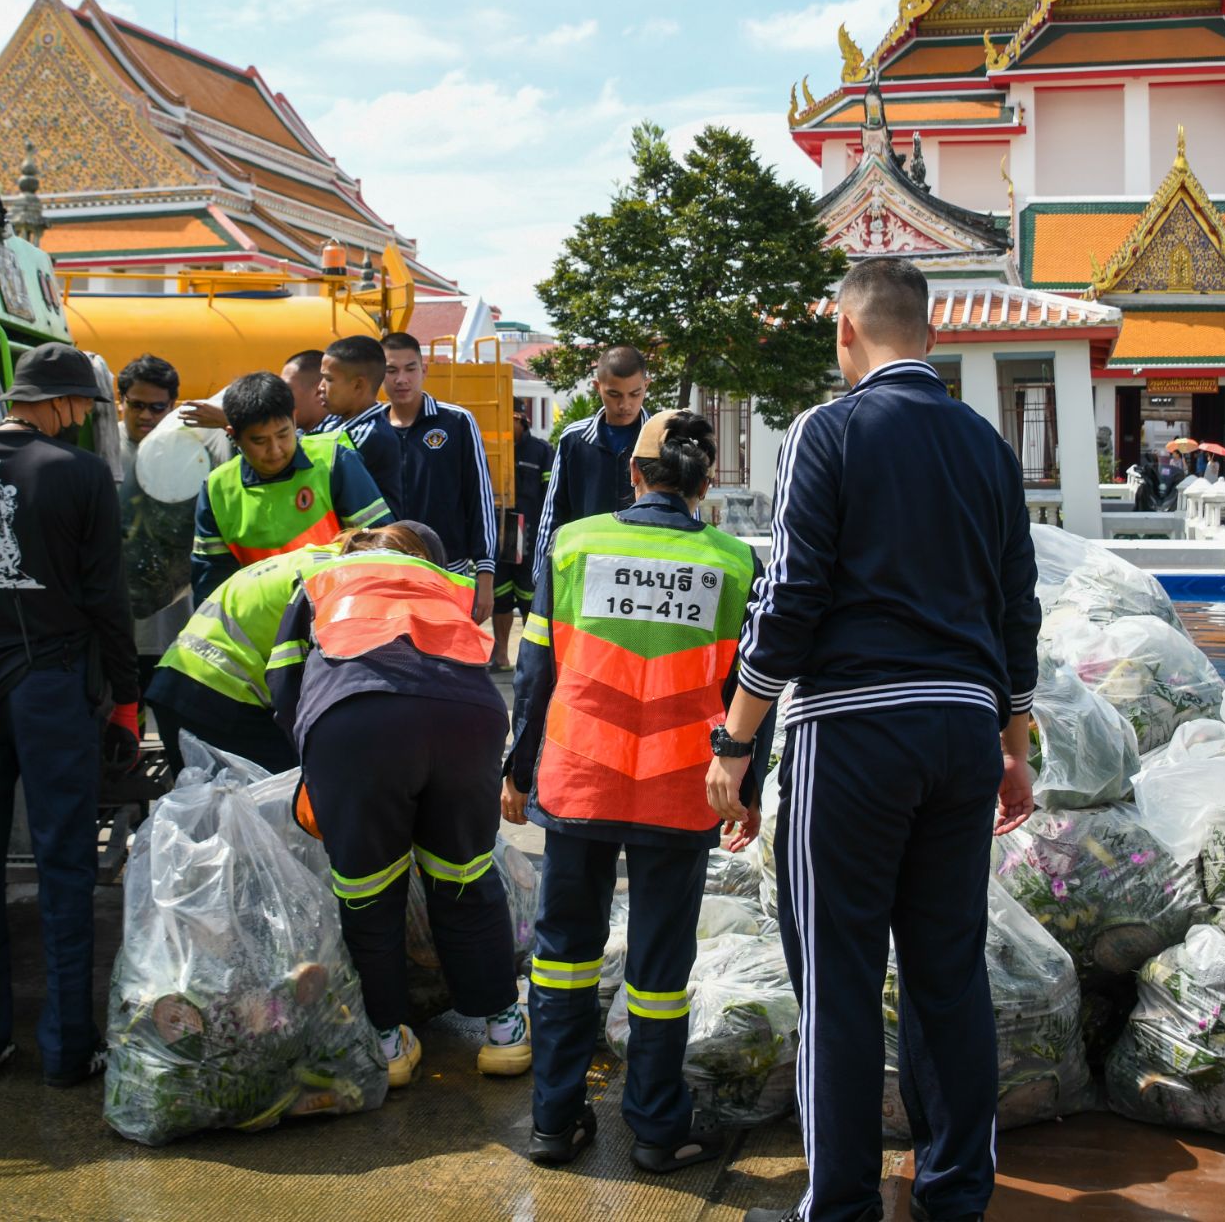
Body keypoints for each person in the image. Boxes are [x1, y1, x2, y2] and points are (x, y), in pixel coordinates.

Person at [708, 258, 1039, 1222]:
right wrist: (1015, 746)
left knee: (840, 981)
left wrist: (735, 740)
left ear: (844, 331)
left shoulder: (829, 429)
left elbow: (790, 598)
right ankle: (956, 1193)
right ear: (931, 336)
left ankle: (841, 1205)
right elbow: (1017, 609)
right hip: (963, 730)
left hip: (853, 731)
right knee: (948, 973)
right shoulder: (987, 447)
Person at [503, 409, 761, 1172]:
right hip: (683, 788)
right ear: (705, 486)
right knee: (660, 968)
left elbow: (535, 671)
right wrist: (747, 785)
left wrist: (518, 767)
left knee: (562, 956)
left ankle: (554, 1123)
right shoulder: (733, 561)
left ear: (634, 473)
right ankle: (656, 1130)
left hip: (580, 778)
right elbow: (751, 684)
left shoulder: (574, 544)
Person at [0, 340, 138, 1089]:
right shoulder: (82, 474)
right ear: (62, 403)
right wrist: (126, 695)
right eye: (81, 408)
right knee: (63, 864)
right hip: (49, 686)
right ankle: (68, 1051)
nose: (81, 420)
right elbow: (106, 596)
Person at [267, 521, 529, 1089]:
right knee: (464, 875)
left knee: (368, 891)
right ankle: (504, 1033)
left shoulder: (320, 578)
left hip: (358, 722)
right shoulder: (444, 582)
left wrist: (315, 754)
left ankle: (390, 1044)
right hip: (467, 720)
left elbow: (284, 676)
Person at [191, 371, 388, 603]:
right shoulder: (218, 489)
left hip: (337, 607)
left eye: (283, 434)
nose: (275, 450)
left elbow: (379, 545)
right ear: (233, 435)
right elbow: (212, 582)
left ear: (294, 419)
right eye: (259, 441)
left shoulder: (334, 461)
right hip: (262, 617)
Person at [346, 331, 498, 622]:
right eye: (391, 371)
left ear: (424, 370)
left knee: (444, 647)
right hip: (383, 571)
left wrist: (485, 574)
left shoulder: (456, 422)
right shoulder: (365, 430)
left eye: (410, 369)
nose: (401, 379)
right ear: (379, 376)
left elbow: (480, 499)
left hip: (447, 569)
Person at [142, 541, 328, 773]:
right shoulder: (336, 578)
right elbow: (292, 687)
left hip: (175, 681)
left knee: (207, 795)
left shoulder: (308, 559)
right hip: (220, 697)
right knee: (292, 785)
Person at [535, 346, 649, 573]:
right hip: (585, 571)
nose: (625, 404)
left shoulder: (662, 438)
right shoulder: (574, 439)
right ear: (598, 387)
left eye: (635, 394)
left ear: (646, 386)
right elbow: (553, 514)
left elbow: (685, 512)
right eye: (614, 394)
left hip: (646, 572)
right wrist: (542, 577)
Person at [113, 354, 195, 658]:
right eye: (136, 405)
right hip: (115, 620)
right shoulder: (102, 448)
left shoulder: (192, 452)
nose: (146, 415)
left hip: (172, 619)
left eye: (157, 407)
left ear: (172, 405)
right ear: (121, 401)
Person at [490, 399, 551, 670]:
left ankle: (531, 661)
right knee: (500, 596)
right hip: (499, 528)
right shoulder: (491, 449)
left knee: (530, 599)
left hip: (529, 533)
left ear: (520, 420)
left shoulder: (541, 451)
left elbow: (551, 496)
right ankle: (500, 656)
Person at [318, 333, 405, 514]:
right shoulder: (333, 421)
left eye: (329, 379)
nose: (321, 387)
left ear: (358, 385)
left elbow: (314, 470)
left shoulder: (370, 435)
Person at [282, 348, 329, 432]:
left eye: (286, 390)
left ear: (319, 392)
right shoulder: (295, 435)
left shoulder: (345, 436)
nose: (279, 397)